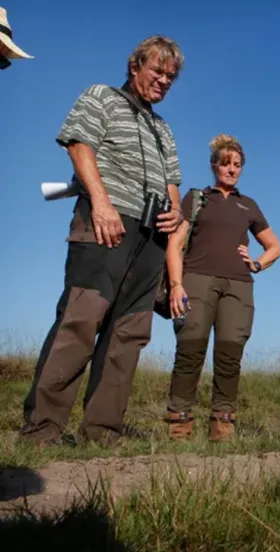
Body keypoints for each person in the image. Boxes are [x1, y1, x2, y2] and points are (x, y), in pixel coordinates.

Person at [19, 36, 186, 445]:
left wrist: (176, 213)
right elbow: (79, 146)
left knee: (128, 334)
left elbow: (173, 184)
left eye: (171, 76)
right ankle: (41, 431)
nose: (163, 81)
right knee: (81, 320)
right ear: (135, 66)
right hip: (105, 223)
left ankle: (102, 431)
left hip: (151, 240)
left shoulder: (163, 128)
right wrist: (101, 203)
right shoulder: (102, 97)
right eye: (157, 71)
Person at [163, 134, 280, 442]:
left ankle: (222, 427)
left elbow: (274, 246)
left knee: (230, 353)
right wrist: (176, 285)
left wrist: (256, 263)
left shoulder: (248, 204)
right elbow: (175, 244)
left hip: (239, 286)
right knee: (190, 349)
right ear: (213, 165)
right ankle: (179, 425)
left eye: (238, 165)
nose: (232, 170)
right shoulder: (196, 198)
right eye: (226, 164)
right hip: (196, 280)